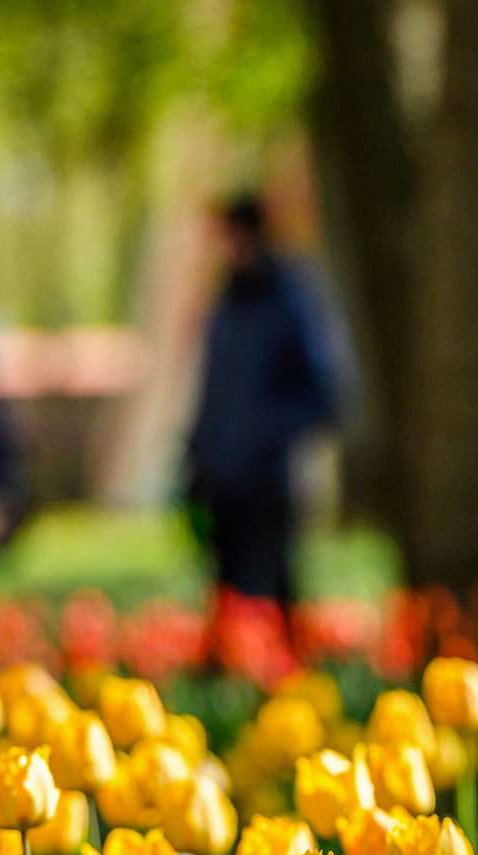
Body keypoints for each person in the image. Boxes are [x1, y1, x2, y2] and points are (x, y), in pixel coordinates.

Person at [183, 194, 338, 613]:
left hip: (269, 481)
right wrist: (196, 452)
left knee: (270, 592)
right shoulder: (227, 303)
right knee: (229, 596)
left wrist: (268, 435)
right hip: (221, 478)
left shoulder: (291, 300)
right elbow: (212, 389)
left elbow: (325, 390)